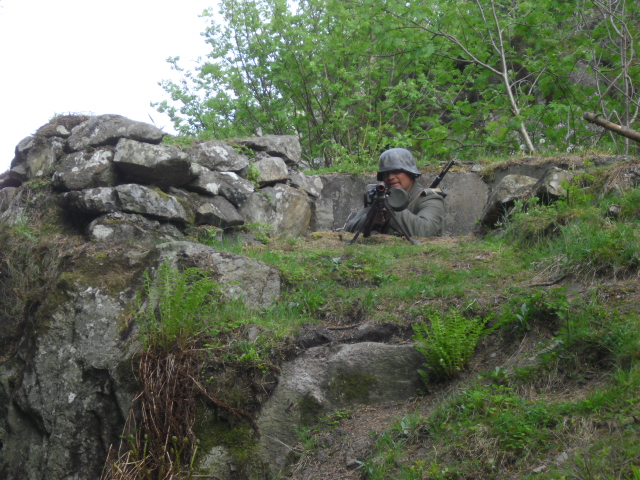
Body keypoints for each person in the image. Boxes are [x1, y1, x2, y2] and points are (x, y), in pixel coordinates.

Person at [345, 148, 444, 238]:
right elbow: (348, 230)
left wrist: (390, 208)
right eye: (386, 174)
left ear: (410, 173)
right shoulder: (379, 196)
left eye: (396, 171)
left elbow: (425, 231)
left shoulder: (430, 198)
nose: (390, 177)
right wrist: (370, 220)